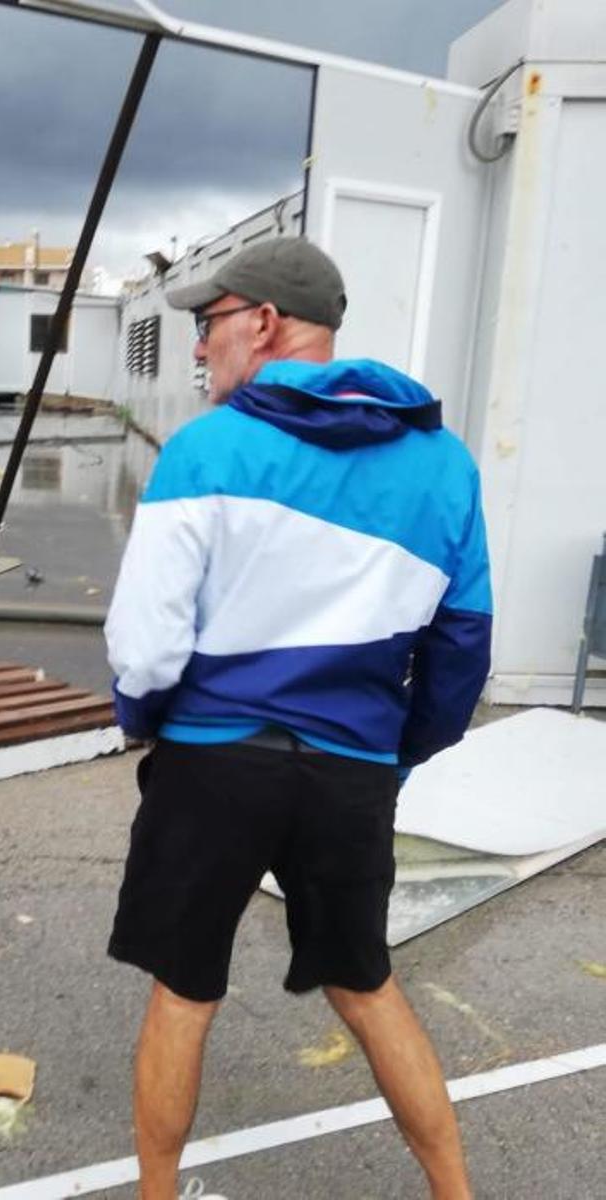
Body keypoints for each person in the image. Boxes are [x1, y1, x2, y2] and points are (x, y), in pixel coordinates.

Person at [104, 237, 491, 1200]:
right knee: (365, 983)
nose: (199, 351)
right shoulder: (445, 465)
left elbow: (145, 645)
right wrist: (394, 752)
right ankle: (456, 1195)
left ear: (265, 324)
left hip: (211, 766)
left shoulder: (206, 450)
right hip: (348, 770)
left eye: (207, 326)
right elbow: (463, 642)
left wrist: (146, 718)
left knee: (184, 991)